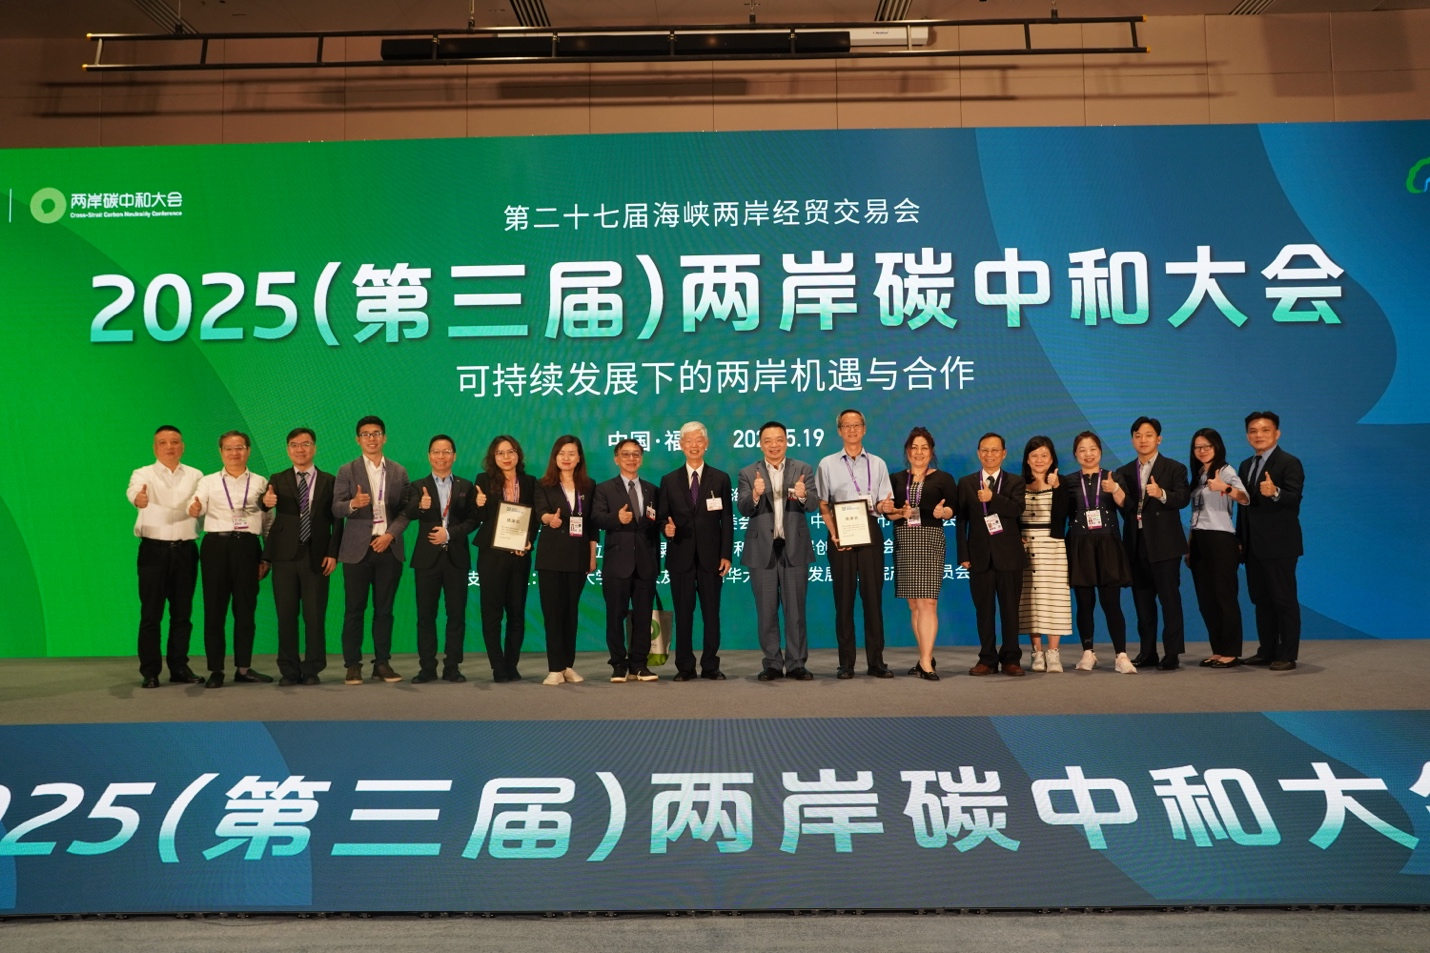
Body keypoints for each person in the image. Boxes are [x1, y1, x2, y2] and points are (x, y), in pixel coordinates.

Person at [259, 428, 342, 686]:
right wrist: (265, 501)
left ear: (314, 447)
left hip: (317, 557)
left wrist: (333, 553)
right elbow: (264, 504)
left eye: (305, 444)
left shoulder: (330, 480)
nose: (300, 449)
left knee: (314, 616)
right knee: (286, 615)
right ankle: (289, 670)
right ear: (288, 450)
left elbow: (337, 520)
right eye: (294, 445)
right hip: (284, 558)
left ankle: (313, 668)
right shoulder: (278, 478)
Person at [737, 421, 819, 681]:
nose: (774, 445)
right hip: (762, 550)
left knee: (796, 611)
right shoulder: (748, 473)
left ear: (787, 441)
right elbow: (743, 508)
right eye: (768, 441)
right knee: (766, 611)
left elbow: (813, 505)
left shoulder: (802, 469)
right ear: (761, 444)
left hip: (794, 548)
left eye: (779, 439)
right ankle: (772, 663)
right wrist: (755, 495)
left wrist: (804, 495)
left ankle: (796, 663)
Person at [816, 409, 895, 680]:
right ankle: (846, 663)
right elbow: (823, 504)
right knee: (844, 599)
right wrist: (834, 533)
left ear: (864, 428)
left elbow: (883, 503)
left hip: (870, 530)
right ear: (839, 431)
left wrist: (885, 506)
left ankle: (877, 662)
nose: (852, 429)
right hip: (841, 533)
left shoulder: (878, 463)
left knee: (873, 599)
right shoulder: (827, 464)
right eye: (846, 426)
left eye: (856, 425)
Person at [190, 430, 271, 688]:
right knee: (214, 610)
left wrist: (266, 556)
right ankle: (216, 670)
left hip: (248, 546)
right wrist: (195, 509)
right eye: (228, 448)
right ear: (220, 452)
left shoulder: (260, 482)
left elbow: (268, 520)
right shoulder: (208, 481)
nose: (234, 453)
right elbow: (198, 505)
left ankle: (243, 668)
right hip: (216, 546)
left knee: (246, 610)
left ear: (248, 450)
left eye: (239, 447)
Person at [333, 415, 410, 685]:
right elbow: (336, 508)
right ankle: (353, 665)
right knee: (354, 610)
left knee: (384, 610)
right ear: (358, 440)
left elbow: (406, 511)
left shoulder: (399, 471)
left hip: (388, 547)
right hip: (357, 549)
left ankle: (382, 663)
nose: (371, 438)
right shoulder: (347, 470)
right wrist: (353, 504)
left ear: (384, 438)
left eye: (376, 433)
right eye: (366, 434)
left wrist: (390, 535)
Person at [127, 425, 204, 689]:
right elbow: (134, 492)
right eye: (163, 442)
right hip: (154, 551)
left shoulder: (196, 475)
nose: (169, 447)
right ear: (154, 447)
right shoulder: (142, 473)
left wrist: (199, 508)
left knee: (182, 614)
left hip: (186, 551)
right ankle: (150, 671)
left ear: (183, 446)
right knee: (151, 614)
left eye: (175, 442)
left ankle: (179, 667)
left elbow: (202, 502)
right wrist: (138, 499)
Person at [657, 421, 734, 681]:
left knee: (711, 614)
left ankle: (711, 665)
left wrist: (726, 554)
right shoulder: (669, 480)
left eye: (698, 441)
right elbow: (662, 517)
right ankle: (685, 666)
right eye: (688, 441)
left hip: (712, 559)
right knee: (683, 614)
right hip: (680, 557)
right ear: (680, 445)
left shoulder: (720, 478)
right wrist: (665, 529)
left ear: (706, 444)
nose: (694, 445)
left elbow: (727, 520)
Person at [404, 435, 480, 684]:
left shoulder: (466, 486)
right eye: (436, 451)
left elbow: (473, 520)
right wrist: (421, 506)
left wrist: (450, 533)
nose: (441, 456)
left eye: (446, 451)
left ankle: (452, 667)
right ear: (429, 456)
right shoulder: (418, 486)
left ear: (454, 456)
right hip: (427, 560)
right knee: (426, 616)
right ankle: (427, 667)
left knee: (456, 615)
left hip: (456, 558)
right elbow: (409, 512)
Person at [1116, 416, 1190, 671]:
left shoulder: (1175, 468)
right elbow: (1127, 508)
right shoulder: (1124, 471)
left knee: (1170, 601)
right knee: (1143, 603)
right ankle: (1147, 652)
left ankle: (1172, 653)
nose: (1143, 440)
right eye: (1137, 435)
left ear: (1159, 439)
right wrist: (1116, 494)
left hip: (1165, 545)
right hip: (1136, 544)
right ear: (1132, 440)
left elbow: (1183, 498)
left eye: (1148, 435)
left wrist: (1161, 494)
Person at [1063, 432, 1136, 674]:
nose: (1088, 454)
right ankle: (1088, 653)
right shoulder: (1068, 481)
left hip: (1108, 545)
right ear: (1075, 454)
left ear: (1100, 451)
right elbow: (1060, 514)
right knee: (1084, 603)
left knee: (1111, 603)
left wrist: (1115, 489)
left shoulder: (1114, 477)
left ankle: (1121, 655)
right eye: (1082, 450)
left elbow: (1127, 506)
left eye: (1092, 449)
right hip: (1079, 545)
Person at [1236, 411, 1305, 671]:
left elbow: (1294, 498)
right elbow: (1244, 507)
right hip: (1253, 546)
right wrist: (1240, 539)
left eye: (1265, 430)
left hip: (1280, 545)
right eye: (1253, 431)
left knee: (1283, 600)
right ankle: (1266, 650)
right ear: (1247, 436)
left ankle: (1287, 654)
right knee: (1261, 600)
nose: (1259, 435)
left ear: (1277, 433)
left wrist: (1275, 491)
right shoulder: (1246, 465)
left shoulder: (1289, 462)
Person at [888, 427, 957, 681]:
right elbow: (889, 512)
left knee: (928, 602)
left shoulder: (943, 478)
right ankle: (924, 657)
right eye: (914, 447)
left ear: (931, 452)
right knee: (914, 605)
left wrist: (943, 513)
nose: (919, 452)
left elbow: (953, 508)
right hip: (905, 539)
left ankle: (926, 662)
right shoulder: (896, 478)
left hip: (930, 539)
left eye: (924, 448)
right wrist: (898, 512)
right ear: (908, 451)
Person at [957, 432, 1027, 676]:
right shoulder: (966, 482)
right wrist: (963, 554)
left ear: (1004, 453)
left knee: (1010, 611)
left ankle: (1011, 659)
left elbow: (1017, 509)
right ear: (978, 453)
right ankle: (987, 658)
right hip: (979, 557)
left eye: (995, 450)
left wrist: (992, 498)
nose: (989, 455)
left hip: (1010, 556)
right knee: (984, 611)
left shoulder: (1015, 482)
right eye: (985, 450)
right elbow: (962, 521)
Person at [592, 439, 661, 683]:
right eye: (626, 454)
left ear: (641, 459)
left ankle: (639, 665)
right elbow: (596, 518)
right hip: (616, 563)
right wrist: (616, 518)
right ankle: (618, 664)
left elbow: (657, 524)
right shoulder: (604, 489)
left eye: (636, 454)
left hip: (646, 564)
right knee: (615, 616)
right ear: (616, 459)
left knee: (643, 616)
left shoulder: (652, 490)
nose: (631, 459)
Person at [471, 435, 538, 682]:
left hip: (520, 555)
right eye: (500, 453)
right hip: (492, 555)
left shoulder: (530, 482)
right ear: (493, 457)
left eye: (511, 451)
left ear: (518, 454)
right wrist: (478, 503)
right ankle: (498, 666)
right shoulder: (483, 480)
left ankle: (512, 664)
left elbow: (535, 518)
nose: (506, 457)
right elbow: (478, 517)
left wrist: (529, 541)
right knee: (492, 613)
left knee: (516, 613)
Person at [534, 436, 599, 685]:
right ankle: (555, 668)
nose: (566, 458)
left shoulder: (589, 486)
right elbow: (541, 512)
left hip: (579, 556)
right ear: (555, 457)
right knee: (553, 613)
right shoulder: (544, 484)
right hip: (551, 557)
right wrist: (549, 519)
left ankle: (568, 666)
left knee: (571, 613)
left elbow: (592, 525)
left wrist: (592, 556)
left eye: (572, 453)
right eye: (561, 453)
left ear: (579, 458)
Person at [1187, 428, 1249, 668]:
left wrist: (1225, 487)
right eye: (1198, 447)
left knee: (1224, 597)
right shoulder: (1199, 474)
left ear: (1217, 447)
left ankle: (1231, 652)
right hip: (1199, 539)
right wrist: (1190, 545)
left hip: (1221, 538)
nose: (1202, 450)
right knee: (1206, 599)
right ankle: (1218, 649)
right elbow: (1196, 514)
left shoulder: (1225, 471)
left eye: (1207, 446)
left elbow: (1245, 498)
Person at [1019, 436, 1073, 673]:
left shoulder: (1062, 483)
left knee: (1054, 598)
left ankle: (1053, 652)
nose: (1039, 460)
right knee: (1030, 600)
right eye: (1034, 456)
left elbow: (1062, 516)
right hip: (1025, 547)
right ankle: (1036, 652)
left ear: (1052, 459)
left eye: (1044, 455)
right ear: (1027, 460)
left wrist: (1057, 487)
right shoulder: (1018, 484)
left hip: (1053, 547)